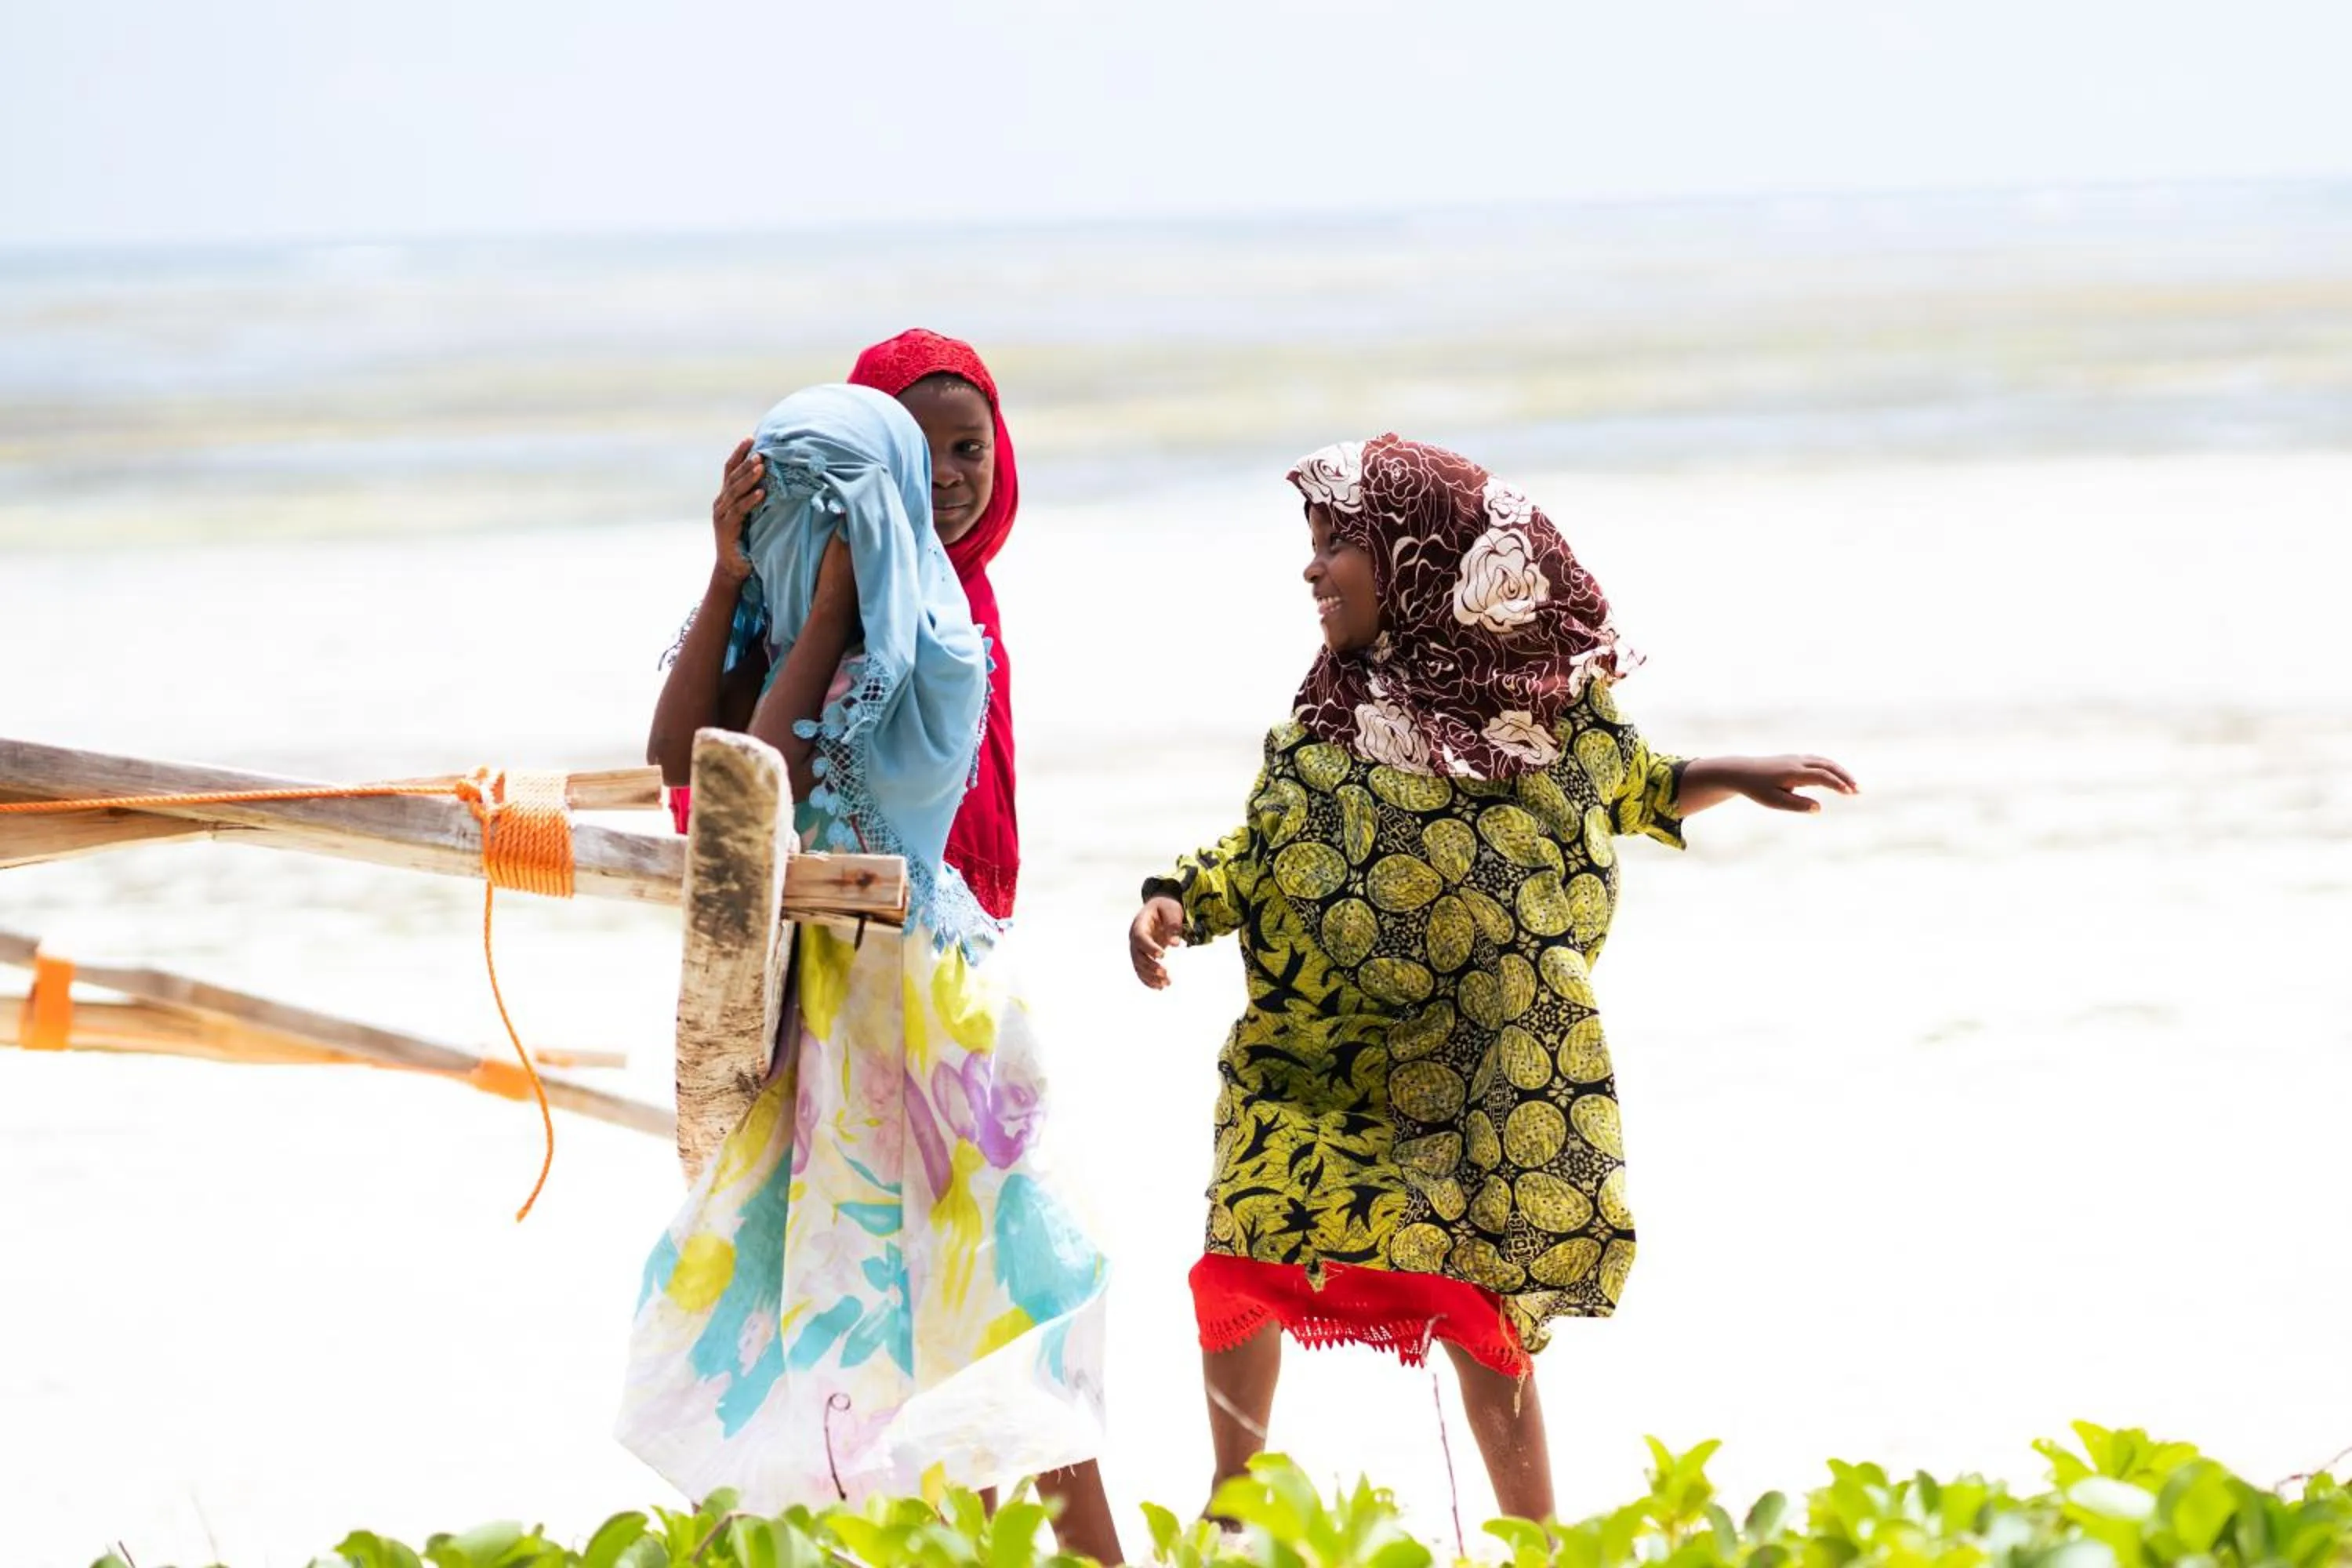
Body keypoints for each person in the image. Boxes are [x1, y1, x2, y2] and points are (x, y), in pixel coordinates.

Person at [1129, 434, 1857, 1522]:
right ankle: (1232, 1510)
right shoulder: (1327, 714)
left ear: (1420, 558)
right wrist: (1178, 903)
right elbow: (1260, 849)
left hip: (1464, 1064)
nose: (1312, 568)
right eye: (1313, 543)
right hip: (1309, 1056)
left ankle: (1536, 1533)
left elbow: (1637, 786)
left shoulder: (1535, 712)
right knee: (1245, 1243)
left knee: (1479, 1299)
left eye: (1338, 543)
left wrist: (1731, 775)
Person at [620, 385, 1116, 1560]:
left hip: (930, 1034)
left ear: (857, 527)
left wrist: (836, 604)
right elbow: (680, 762)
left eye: (806, 519)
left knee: (989, 1323)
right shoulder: (796, 631)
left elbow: (771, 778)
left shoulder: (938, 649)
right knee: (792, 1313)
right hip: (823, 1026)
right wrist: (729, 582)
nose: (789, 542)